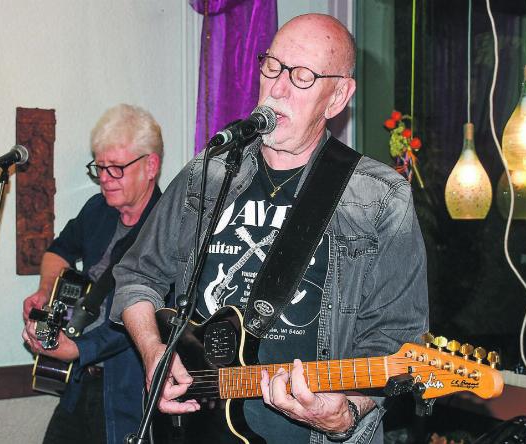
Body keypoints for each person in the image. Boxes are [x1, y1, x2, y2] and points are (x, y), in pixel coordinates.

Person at [109, 13, 428, 444]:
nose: (277, 88)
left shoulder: (380, 197)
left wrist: (347, 412)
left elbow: (396, 338)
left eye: (301, 76)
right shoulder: (207, 175)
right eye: (272, 67)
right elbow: (136, 276)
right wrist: (154, 352)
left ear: (337, 98)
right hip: (196, 428)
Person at [22, 104, 164, 444]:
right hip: (77, 382)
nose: (103, 179)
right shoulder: (97, 210)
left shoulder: (167, 227)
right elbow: (60, 250)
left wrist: (77, 349)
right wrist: (45, 291)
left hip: (127, 391)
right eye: (99, 167)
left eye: (115, 168)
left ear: (150, 166)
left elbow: (145, 315)